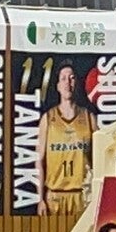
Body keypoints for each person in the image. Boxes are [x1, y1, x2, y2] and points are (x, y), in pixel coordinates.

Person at [37, 63, 96, 216]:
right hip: (55, 196)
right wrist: (40, 198)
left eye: (71, 78)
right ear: (57, 86)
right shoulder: (48, 118)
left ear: (76, 83)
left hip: (83, 195)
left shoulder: (88, 117)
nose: (67, 83)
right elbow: (39, 160)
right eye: (63, 78)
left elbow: (99, 158)